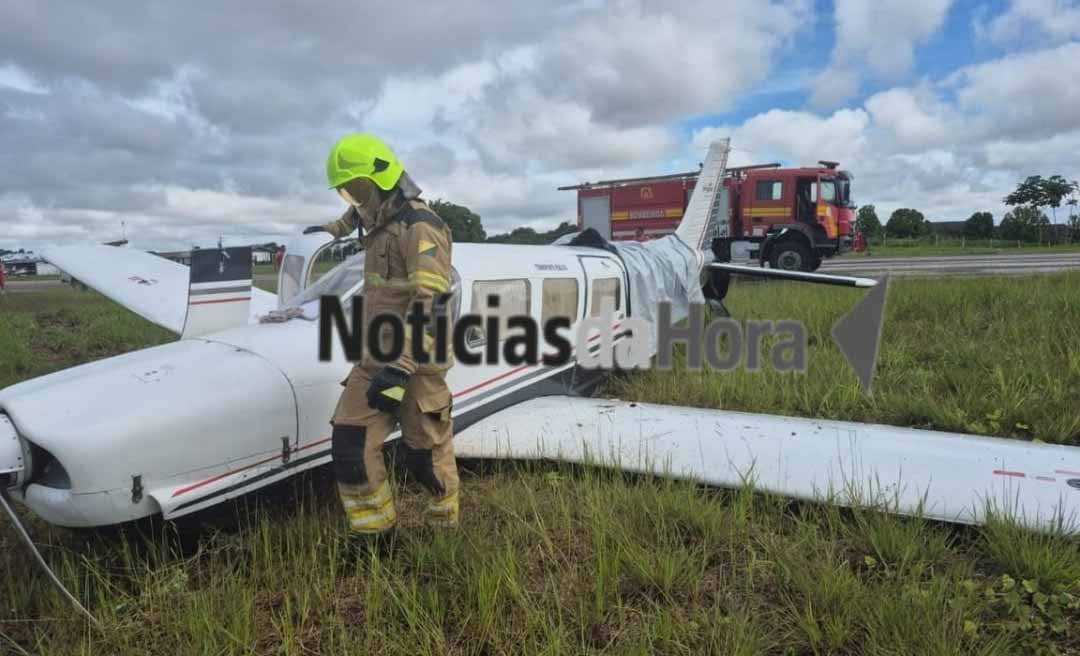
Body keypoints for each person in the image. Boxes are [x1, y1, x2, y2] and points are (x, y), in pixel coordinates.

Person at [303, 133, 458, 536]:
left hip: (416, 363)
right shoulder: (376, 216)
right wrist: (331, 228)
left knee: (426, 459)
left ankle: (443, 537)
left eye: (356, 189)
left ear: (382, 179)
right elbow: (358, 216)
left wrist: (401, 367)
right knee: (350, 445)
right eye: (345, 192)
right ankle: (375, 537)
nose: (353, 199)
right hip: (374, 359)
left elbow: (431, 303)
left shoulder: (422, 229)